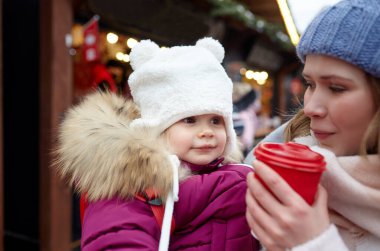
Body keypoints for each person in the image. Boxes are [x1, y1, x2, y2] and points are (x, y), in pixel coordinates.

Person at [56, 37, 259, 250]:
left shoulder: (238, 175)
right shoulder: (133, 183)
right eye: (189, 120)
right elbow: (117, 237)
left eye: (216, 121)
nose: (207, 132)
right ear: (157, 128)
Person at [245, 0, 380, 250]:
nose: (310, 109)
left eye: (337, 88)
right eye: (310, 84)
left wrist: (314, 244)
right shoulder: (276, 151)